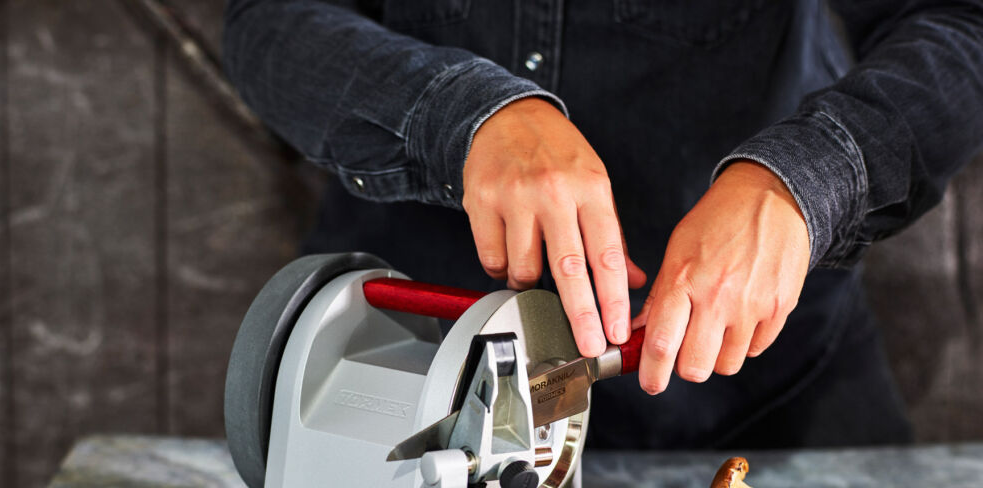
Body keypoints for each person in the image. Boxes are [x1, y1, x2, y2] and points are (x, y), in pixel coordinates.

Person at [222, 0, 983, 449]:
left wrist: (807, 180)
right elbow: (269, 20)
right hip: (409, 382)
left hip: (762, 400)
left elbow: (962, 24)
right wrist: (458, 116)